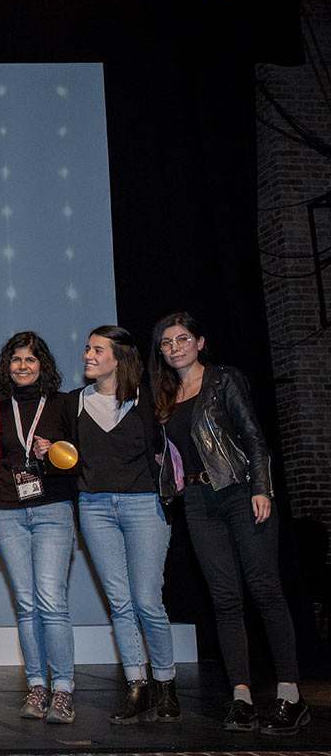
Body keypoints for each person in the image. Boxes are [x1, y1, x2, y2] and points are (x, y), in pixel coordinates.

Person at [149, 312, 308, 736]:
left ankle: (290, 694)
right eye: (167, 343)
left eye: (183, 339)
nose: (175, 348)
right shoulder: (164, 395)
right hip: (198, 501)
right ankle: (241, 697)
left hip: (240, 492)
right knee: (224, 600)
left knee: (264, 589)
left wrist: (262, 488)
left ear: (200, 342)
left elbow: (253, 436)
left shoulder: (224, 379)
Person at [68, 325, 177, 724]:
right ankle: (137, 686)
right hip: (95, 508)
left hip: (144, 506)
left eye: (98, 350)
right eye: (87, 348)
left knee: (147, 600)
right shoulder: (75, 403)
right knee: (120, 602)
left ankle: (166, 685)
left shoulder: (149, 400)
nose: (88, 355)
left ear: (119, 358)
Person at [0, 332, 78, 724]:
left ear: (43, 364)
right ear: (6, 366)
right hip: (8, 511)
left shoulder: (63, 404)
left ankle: (63, 689)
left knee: (52, 601)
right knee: (26, 604)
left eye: (30, 359)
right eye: (16, 359)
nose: (23, 366)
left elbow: (80, 459)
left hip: (52, 508)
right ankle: (37, 685)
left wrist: (54, 451)